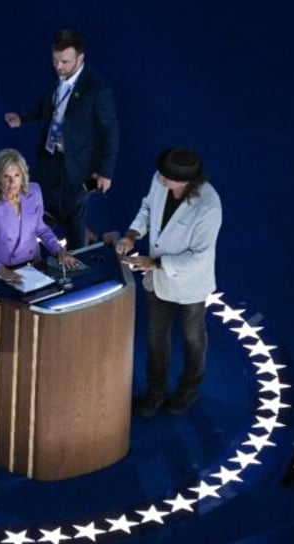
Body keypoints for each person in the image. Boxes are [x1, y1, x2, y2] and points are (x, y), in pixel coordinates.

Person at [115, 148, 222, 418]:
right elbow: (148, 207)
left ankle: (189, 389)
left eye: (166, 177)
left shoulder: (209, 207)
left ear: (185, 181)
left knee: (192, 336)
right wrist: (132, 234)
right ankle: (156, 392)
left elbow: (198, 257)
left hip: (190, 284)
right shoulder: (161, 179)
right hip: (158, 281)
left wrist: (154, 263)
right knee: (155, 338)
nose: (159, 179)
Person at [4, 29, 119, 251]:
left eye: (65, 62)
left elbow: (110, 132)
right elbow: (48, 104)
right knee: (36, 200)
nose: (58, 67)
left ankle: (78, 260)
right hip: (50, 155)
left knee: (73, 212)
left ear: (80, 58)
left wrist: (105, 172)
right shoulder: (57, 74)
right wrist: (23, 118)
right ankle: (29, 251)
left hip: (79, 164)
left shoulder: (97, 90)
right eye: (55, 60)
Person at [0, 148, 78, 282]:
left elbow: (41, 228)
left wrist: (59, 251)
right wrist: (2, 272)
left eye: (16, 175)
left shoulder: (34, 192)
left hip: (32, 267)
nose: (12, 183)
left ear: (23, 176)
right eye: (6, 176)